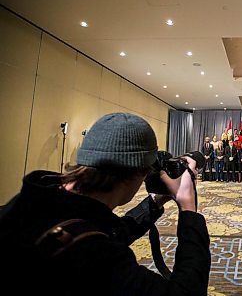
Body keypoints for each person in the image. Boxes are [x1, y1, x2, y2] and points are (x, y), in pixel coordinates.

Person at [0, 112, 211, 295]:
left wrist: (154, 203)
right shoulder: (96, 257)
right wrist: (188, 209)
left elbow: (109, 232)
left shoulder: (38, 200)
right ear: (138, 173)